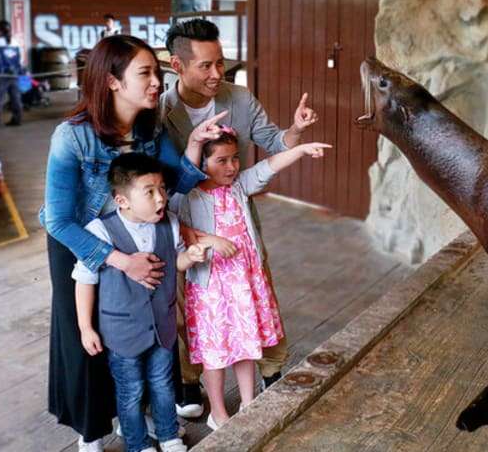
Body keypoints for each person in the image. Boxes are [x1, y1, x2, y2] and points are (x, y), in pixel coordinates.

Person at [41, 34, 227, 452]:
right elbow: (58, 220)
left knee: (142, 326)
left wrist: (195, 144)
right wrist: (120, 261)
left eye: (156, 74)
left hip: (138, 237)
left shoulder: (150, 128)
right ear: (111, 81)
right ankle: (89, 431)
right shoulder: (71, 138)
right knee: (87, 338)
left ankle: (136, 414)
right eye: (145, 73)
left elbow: (175, 184)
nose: (156, 82)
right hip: (80, 243)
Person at [160, 18, 318, 417]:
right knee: (188, 308)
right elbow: (163, 180)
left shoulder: (241, 98)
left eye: (221, 63)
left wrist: (296, 131)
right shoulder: (163, 110)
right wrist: (188, 232)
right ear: (177, 66)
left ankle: (271, 370)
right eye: (206, 66)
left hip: (236, 222)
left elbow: (275, 143)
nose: (217, 74)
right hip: (186, 228)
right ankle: (191, 382)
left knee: (258, 297)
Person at [176, 126, 330, 428]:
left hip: (245, 284)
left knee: (247, 342)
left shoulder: (238, 187)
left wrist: (299, 150)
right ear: (201, 162)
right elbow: (175, 227)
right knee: (215, 350)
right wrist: (208, 239)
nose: (231, 167)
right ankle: (218, 412)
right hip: (211, 287)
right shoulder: (189, 196)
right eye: (221, 160)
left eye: (234, 159)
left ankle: (249, 402)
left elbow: (266, 168)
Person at [74, 153, 199, 452]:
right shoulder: (100, 231)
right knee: (130, 392)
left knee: (163, 384)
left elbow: (173, 262)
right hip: (122, 331)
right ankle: (137, 443)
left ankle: (169, 436)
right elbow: (84, 281)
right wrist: (85, 328)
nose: (161, 198)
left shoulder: (169, 223)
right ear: (122, 201)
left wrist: (189, 258)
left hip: (162, 327)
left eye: (163, 189)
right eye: (150, 192)